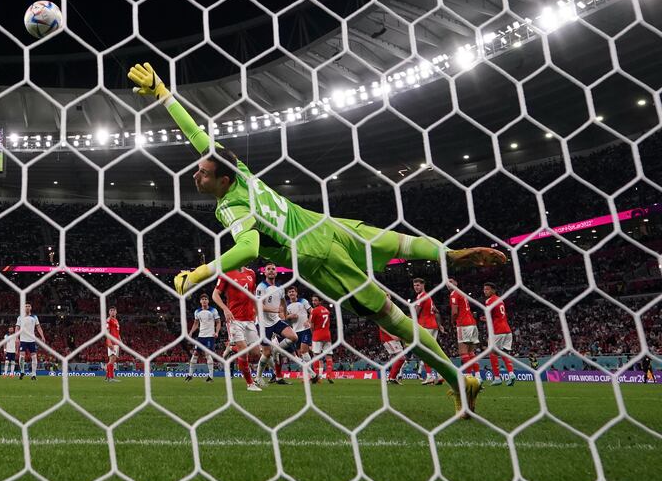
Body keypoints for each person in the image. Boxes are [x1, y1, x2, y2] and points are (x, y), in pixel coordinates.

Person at [129, 62, 504, 415]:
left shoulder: (232, 203)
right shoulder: (239, 171)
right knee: (397, 242)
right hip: (326, 224)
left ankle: (458, 380)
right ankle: (450, 254)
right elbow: (197, 135)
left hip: (318, 257)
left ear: (223, 181)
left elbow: (249, 248)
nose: (196, 176)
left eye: (203, 174)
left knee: (394, 320)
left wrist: (199, 273)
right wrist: (162, 92)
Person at [255, 263, 306, 385]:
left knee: (293, 337)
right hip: (263, 324)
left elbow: (283, 302)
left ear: (276, 272)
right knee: (266, 353)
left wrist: (283, 312)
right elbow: (259, 306)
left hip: (276, 320)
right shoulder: (261, 287)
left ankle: (276, 350)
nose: (271, 271)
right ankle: (258, 377)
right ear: (265, 272)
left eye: (273, 269)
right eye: (269, 269)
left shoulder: (280, 288)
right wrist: (275, 310)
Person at [213, 267, 262, 392]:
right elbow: (215, 294)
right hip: (234, 319)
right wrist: (225, 309)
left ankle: (231, 348)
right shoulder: (226, 273)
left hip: (250, 319)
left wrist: (257, 312)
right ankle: (250, 384)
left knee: (256, 353)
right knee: (243, 350)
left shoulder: (251, 272)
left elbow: (253, 294)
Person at [411, 278, 445, 385]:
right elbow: (436, 311)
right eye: (414, 285)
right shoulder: (428, 296)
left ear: (423, 285)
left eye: (418, 285)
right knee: (433, 352)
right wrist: (439, 325)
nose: (416, 287)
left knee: (424, 352)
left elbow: (416, 313)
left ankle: (430, 376)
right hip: (433, 327)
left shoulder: (421, 296)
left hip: (425, 326)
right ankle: (440, 375)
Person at [481, 283, 515, 386]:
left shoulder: (489, 301)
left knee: (492, 353)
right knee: (504, 353)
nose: (485, 291)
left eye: (487, 289)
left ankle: (497, 378)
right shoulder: (500, 299)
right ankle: (511, 374)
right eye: (484, 289)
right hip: (507, 330)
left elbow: (489, 316)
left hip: (497, 331)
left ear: (493, 290)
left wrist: (483, 318)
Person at [448, 278, 481, 382]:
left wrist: (452, 321)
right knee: (471, 352)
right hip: (472, 324)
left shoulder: (454, 294)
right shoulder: (462, 293)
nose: (449, 284)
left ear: (456, 283)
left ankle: (468, 377)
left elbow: (454, 312)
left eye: (451, 282)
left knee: (463, 352)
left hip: (463, 324)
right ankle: (478, 376)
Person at [187, 293, 220, 382]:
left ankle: (211, 377)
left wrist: (216, 332)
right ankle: (190, 375)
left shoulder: (213, 310)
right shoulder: (197, 312)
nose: (204, 300)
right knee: (195, 354)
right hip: (200, 336)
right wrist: (190, 332)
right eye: (203, 299)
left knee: (207, 354)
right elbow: (196, 323)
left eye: (206, 299)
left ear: (208, 301)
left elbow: (218, 322)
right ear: (200, 301)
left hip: (210, 336)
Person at [284, 285, 315, 379]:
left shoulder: (303, 301)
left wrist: (308, 321)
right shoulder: (286, 305)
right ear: (287, 294)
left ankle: (310, 375)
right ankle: (309, 373)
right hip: (295, 332)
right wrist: (290, 317)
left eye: (293, 291)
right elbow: (284, 317)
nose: (291, 293)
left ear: (296, 293)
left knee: (303, 351)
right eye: (289, 292)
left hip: (305, 329)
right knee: (300, 354)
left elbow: (312, 311)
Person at [308, 295, 335, 383]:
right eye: (313, 300)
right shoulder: (326, 310)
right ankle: (329, 375)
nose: (313, 302)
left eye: (315, 300)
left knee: (316, 356)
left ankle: (316, 376)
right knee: (329, 356)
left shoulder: (314, 311)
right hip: (327, 335)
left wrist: (313, 335)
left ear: (320, 301)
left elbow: (311, 325)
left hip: (317, 335)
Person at [16, 303, 46, 380]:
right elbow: (17, 328)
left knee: (34, 357)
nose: (27, 307)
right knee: (22, 356)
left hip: (32, 340)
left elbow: (38, 327)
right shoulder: (20, 317)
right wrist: (17, 338)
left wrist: (42, 336)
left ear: (31, 307)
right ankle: (22, 371)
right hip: (23, 340)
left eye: (29, 306)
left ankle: (33, 374)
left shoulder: (34, 317)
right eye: (26, 306)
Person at [105, 306, 121, 382]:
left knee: (112, 360)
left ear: (116, 312)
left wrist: (120, 341)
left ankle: (108, 377)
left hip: (116, 342)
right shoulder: (108, 320)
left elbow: (118, 333)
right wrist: (109, 342)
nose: (112, 311)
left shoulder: (116, 320)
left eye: (114, 310)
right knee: (112, 360)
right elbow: (107, 332)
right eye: (111, 310)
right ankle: (111, 378)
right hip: (112, 342)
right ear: (109, 312)